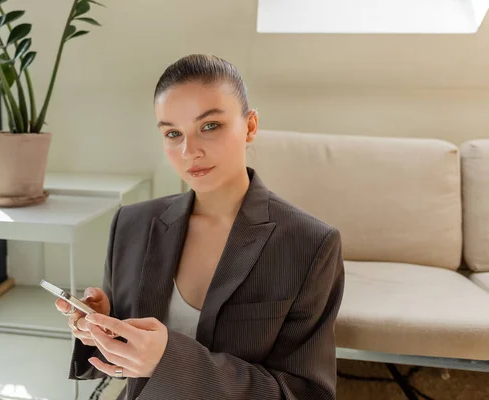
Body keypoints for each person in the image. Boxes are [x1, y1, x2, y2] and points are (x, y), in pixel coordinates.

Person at [55, 54, 345, 400]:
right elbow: (124, 359)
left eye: (210, 126)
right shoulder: (132, 224)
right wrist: (101, 326)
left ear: (250, 126)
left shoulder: (309, 244)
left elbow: (306, 393)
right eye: (173, 133)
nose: (189, 150)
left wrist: (169, 361)